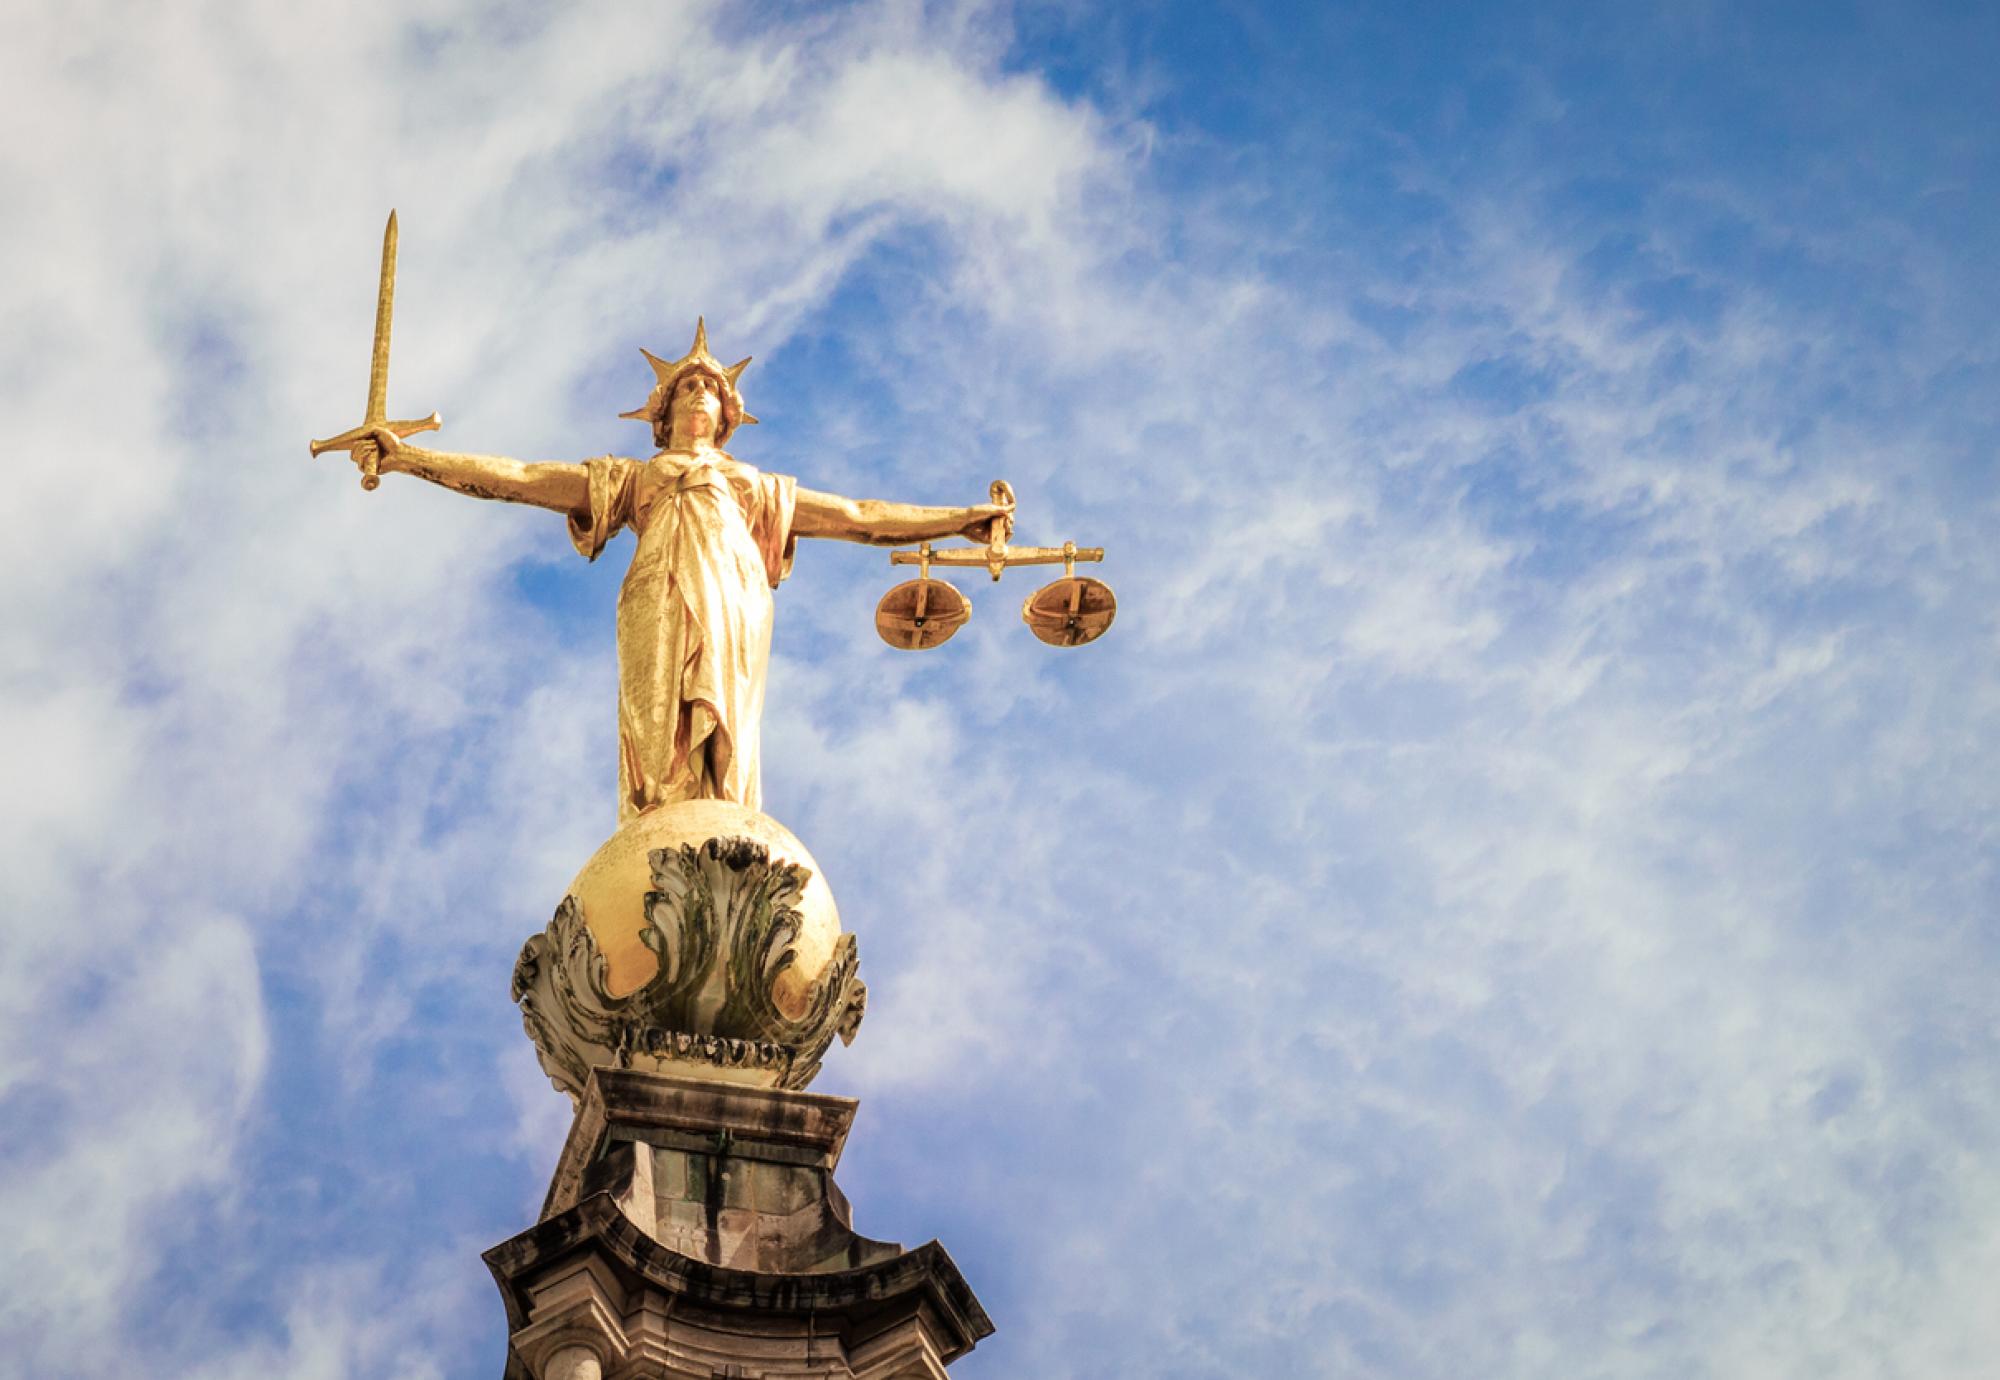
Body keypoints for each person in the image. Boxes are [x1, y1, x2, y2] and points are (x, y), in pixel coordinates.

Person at [342, 320, 1010, 822]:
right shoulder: (636, 478)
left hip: (734, 597)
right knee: (660, 727)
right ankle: (663, 814)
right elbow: (520, 478)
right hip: (657, 592)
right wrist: (410, 460)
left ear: (728, 415)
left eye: (711, 388)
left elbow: (861, 515)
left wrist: (961, 519)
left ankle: (722, 811)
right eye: (687, 386)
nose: (699, 393)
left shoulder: (754, 485)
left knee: (729, 717)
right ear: (661, 418)